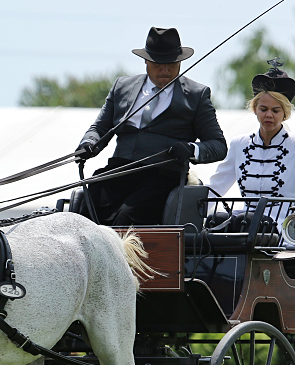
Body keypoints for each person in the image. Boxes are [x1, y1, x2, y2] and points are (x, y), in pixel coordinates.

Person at [77, 26, 228, 225]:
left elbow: (218, 145)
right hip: (120, 171)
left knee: (126, 218)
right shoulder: (122, 87)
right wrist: (89, 143)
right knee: (84, 210)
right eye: (158, 63)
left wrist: (191, 149)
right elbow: (99, 129)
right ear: (146, 60)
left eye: (171, 64)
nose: (165, 70)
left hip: (162, 177)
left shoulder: (196, 95)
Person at [207, 59, 295, 234]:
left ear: (285, 114)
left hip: (282, 229)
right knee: (216, 220)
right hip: (244, 226)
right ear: (255, 109)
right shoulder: (239, 145)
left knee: (248, 221)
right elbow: (216, 187)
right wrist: (187, 206)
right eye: (263, 109)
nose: (269, 115)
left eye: (275, 111)